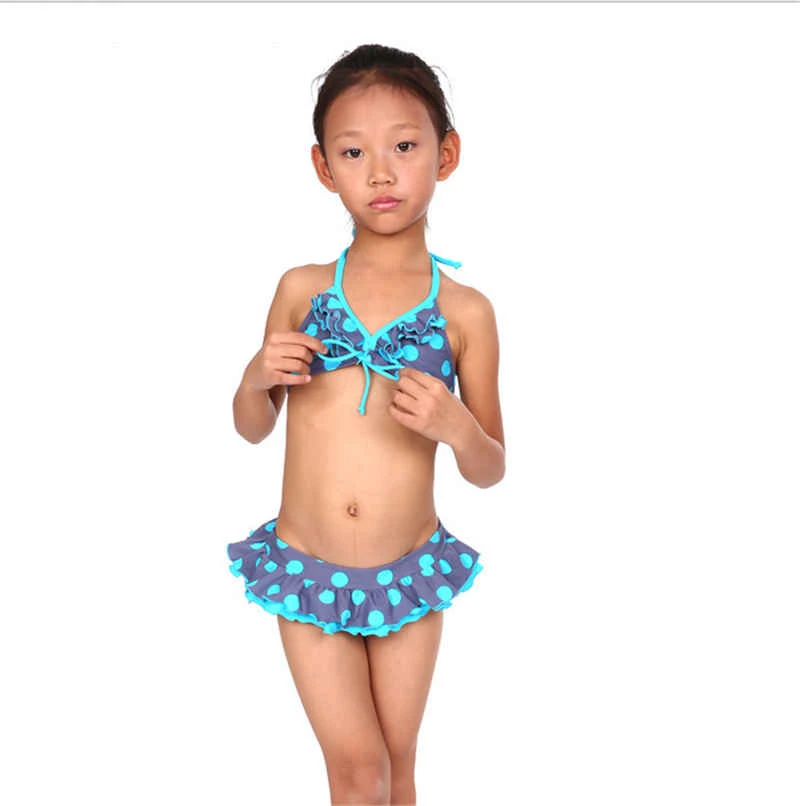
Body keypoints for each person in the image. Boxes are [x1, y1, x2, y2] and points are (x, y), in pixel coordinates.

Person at [226, 43, 505, 806]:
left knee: (398, 771)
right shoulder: (301, 289)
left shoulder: (465, 312)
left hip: (408, 570)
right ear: (324, 167)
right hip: (307, 565)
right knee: (359, 772)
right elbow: (253, 427)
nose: (380, 173)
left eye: (404, 147)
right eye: (353, 153)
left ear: (446, 155)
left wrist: (456, 426)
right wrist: (254, 377)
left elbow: (490, 466)